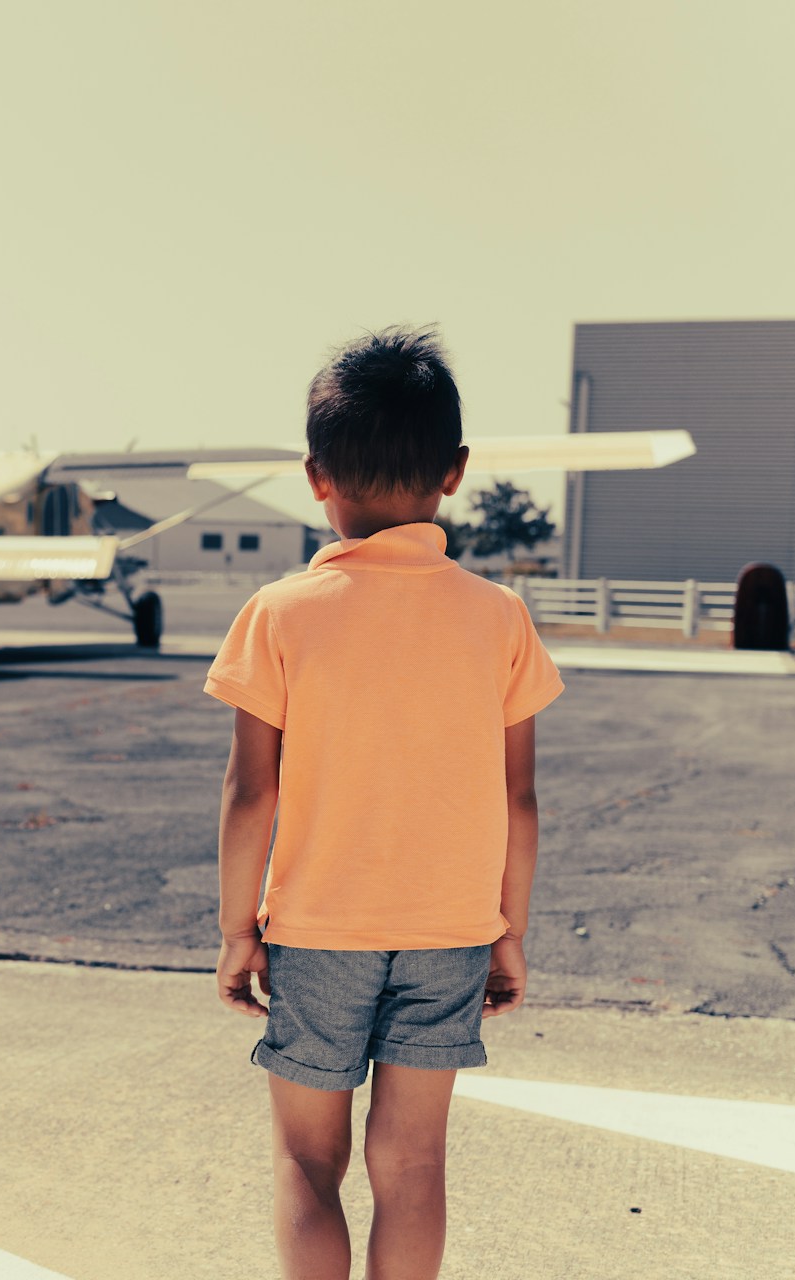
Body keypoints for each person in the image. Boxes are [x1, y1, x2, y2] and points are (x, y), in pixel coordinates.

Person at [206, 327, 563, 1280]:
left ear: (316, 476)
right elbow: (518, 800)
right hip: (450, 930)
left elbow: (250, 795)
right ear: (456, 472)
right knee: (412, 1165)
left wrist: (241, 931)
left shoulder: (278, 616)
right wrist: (509, 930)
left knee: (306, 1160)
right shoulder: (500, 618)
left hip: (320, 930)